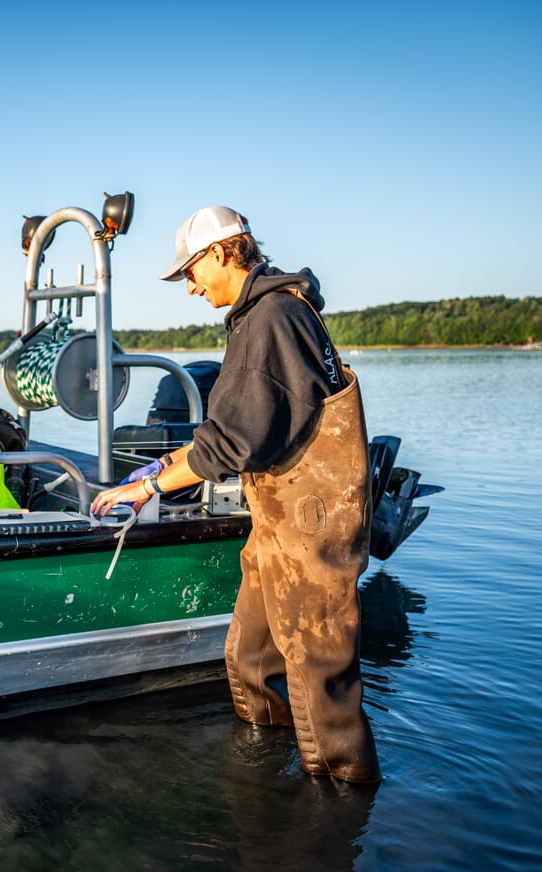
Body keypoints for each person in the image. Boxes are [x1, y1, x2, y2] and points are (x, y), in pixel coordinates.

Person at [91, 206, 380, 783]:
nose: (190, 286)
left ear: (224, 252)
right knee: (253, 656)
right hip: (277, 522)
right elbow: (232, 432)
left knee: (320, 678)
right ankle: (263, 776)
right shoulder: (263, 315)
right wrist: (160, 466)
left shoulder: (272, 315)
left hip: (312, 525)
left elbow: (232, 444)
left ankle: (344, 804)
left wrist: (149, 487)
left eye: (191, 272)